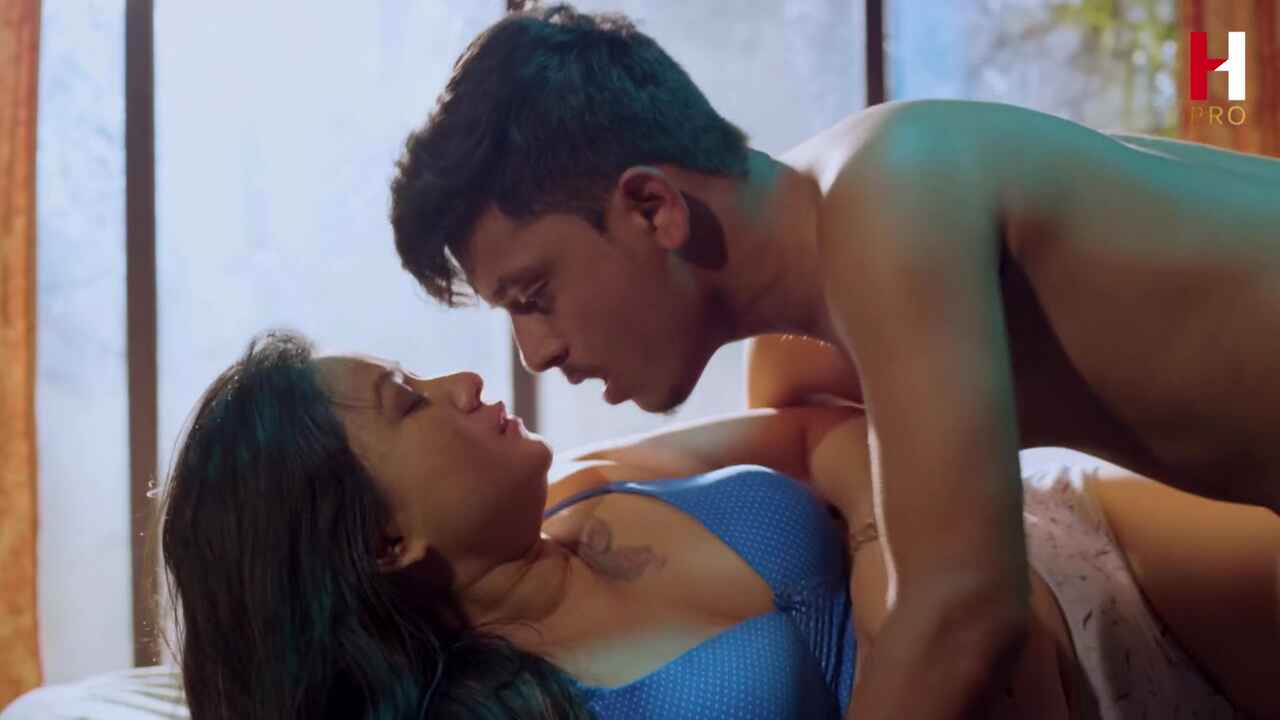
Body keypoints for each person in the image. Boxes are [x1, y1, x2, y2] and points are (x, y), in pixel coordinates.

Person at [387, 5, 1280, 717]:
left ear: (653, 207)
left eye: (533, 295)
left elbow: (966, 614)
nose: (536, 353)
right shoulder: (813, 339)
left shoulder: (889, 204)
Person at [159, 330, 1278, 719]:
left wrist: (893, 576)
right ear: (381, 544)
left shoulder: (592, 483)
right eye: (407, 401)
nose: (462, 381)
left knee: (799, 340)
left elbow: (817, 432)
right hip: (1040, 685)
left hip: (1068, 556)